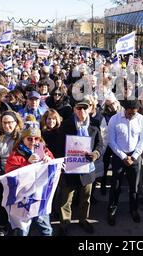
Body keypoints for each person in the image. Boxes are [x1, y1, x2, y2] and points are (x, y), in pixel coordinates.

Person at [57, 98, 103, 235]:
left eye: (85, 108)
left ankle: (83, 220)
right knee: (66, 199)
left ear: (89, 109)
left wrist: (95, 154)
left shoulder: (94, 125)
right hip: (69, 169)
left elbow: (100, 144)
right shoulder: (65, 125)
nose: (82, 111)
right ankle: (64, 223)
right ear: (74, 109)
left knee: (85, 198)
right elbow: (59, 145)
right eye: (79, 108)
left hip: (87, 169)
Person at [4, 118, 54, 236]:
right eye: (29, 139)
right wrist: (27, 163)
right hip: (23, 200)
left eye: (36, 138)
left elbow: (55, 168)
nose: (33, 141)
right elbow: (10, 175)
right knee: (22, 232)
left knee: (46, 229)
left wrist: (50, 160)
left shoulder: (44, 150)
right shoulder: (16, 154)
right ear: (23, 139)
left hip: (40, 198)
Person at [107, 100, 143, 225]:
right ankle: (112, 210)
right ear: (125, 110)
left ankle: (133, 209)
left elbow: (142, 140)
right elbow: (111, 141)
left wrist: (133, 157)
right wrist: (124, 156)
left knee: (134, 186)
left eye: (134, 114)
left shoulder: (141, 119)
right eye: (130, 114)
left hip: (135, 157)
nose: (132, 116)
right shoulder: (114, 119)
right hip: (119, 157)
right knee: (116, 185)